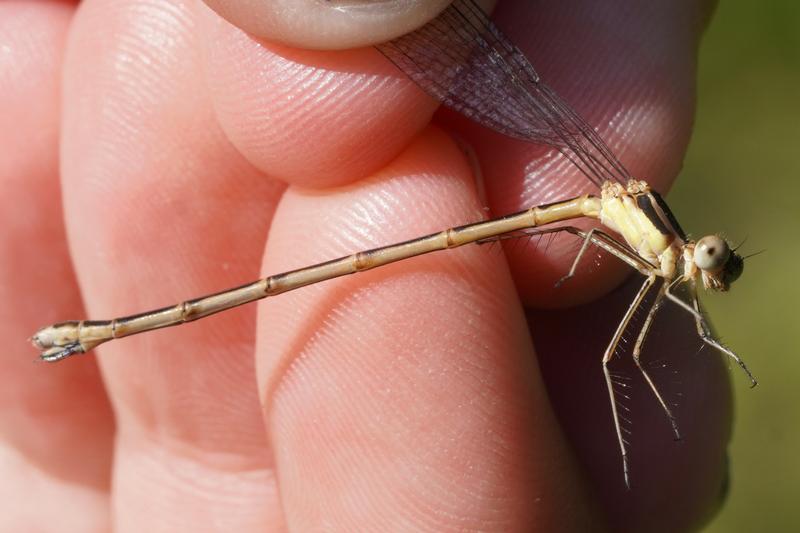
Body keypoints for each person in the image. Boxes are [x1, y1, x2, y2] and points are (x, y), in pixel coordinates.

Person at [0, 0, 731, 530]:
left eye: (709, 264)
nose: (704, 267)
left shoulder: (659, 251)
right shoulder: (648, 229)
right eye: (708, 259)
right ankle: (95, 334)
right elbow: (618, 353)